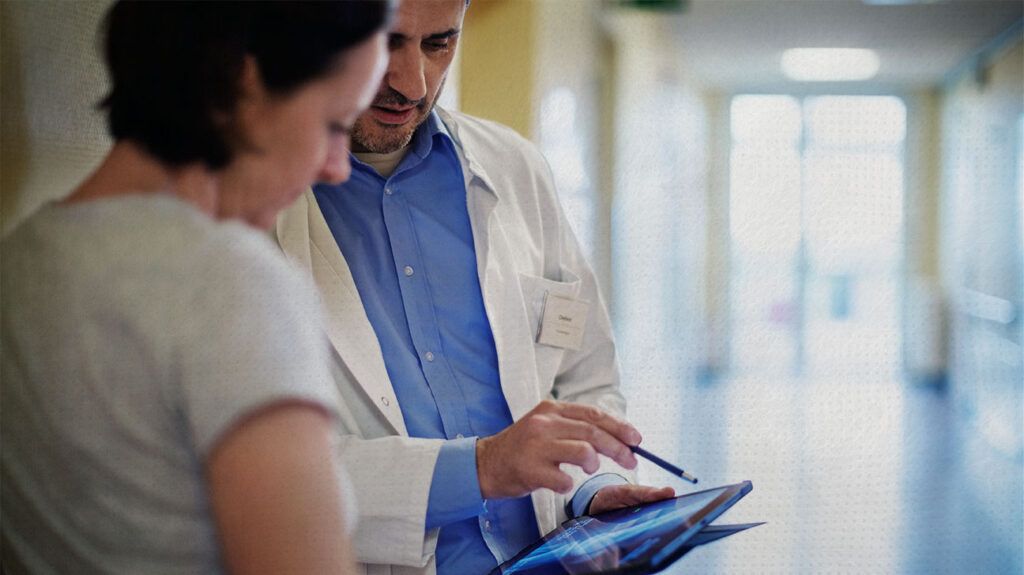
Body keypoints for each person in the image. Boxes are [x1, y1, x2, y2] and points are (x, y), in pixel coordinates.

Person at [275, 0, 674, 573]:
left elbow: (583, 378)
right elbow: (272, 474)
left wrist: (594, 488)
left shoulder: (515, 167)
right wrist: (481, 467)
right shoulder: (258, 208)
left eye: (438, 44)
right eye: (386, 42)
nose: (411, 83)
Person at [0, 1, 391, 573]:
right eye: (334, 124)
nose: (336, 167)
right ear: (244, 83)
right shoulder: (235, 284)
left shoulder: (20, 261)